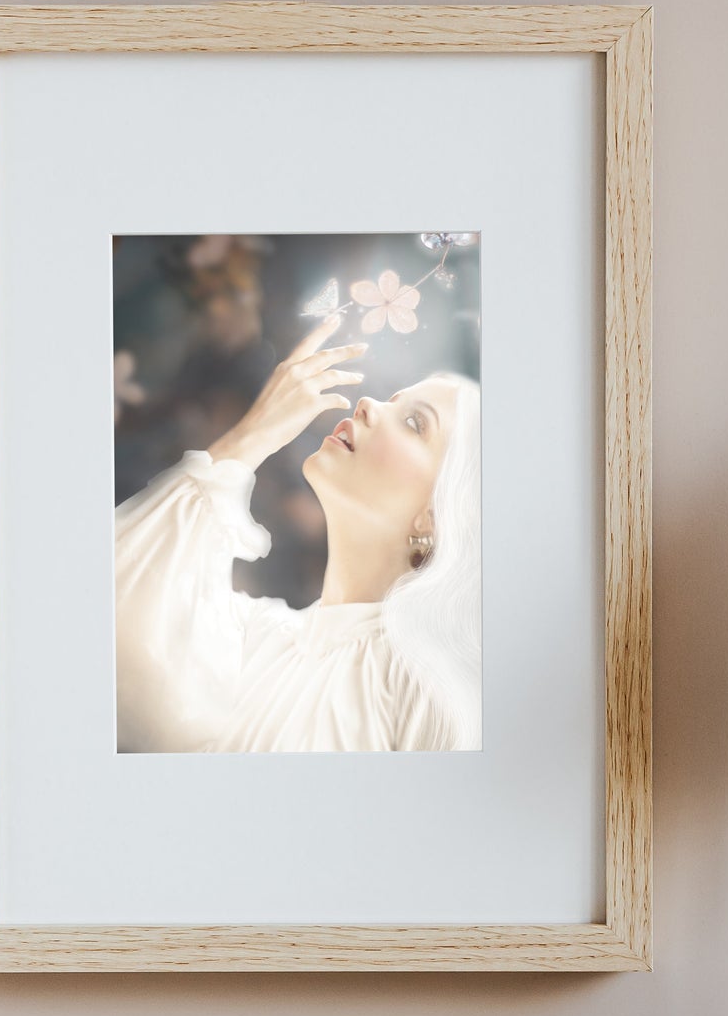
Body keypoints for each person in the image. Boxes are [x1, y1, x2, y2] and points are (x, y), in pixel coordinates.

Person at [114, 313, 482, 753]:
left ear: (437, 515)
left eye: (415, 423)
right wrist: (252, 436)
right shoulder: (254, 636)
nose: (368, 403)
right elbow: (104, 620)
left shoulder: (426, 689)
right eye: (393, 399)